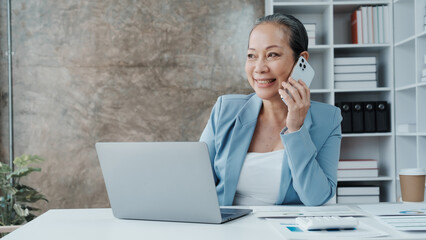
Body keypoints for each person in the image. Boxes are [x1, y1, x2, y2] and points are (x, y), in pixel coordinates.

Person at [200, 13, 342, 206]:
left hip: (287, 232)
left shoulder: (328, 119)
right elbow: (197, 182)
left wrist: (296, 130)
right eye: (251, 56)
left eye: (272, 55)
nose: (259, 68)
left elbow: (316, 198)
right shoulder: (226, 110)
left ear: (302, 60)